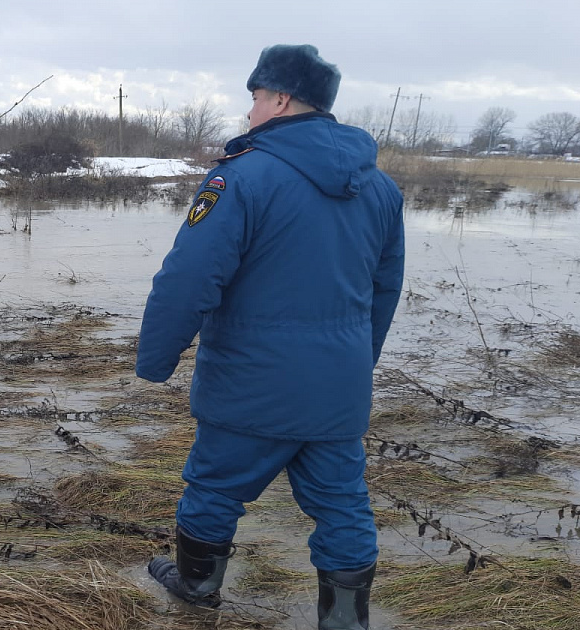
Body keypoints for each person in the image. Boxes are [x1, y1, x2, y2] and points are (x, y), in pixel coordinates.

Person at [136, 44, 405, 630]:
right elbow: (384, 291)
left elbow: (187, 278)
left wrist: (156, 358)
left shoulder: (242, 178)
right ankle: (344, 619)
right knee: (341, 503)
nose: (251, 110)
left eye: (255, 97)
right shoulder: (380, 189)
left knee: (213, 484)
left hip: (251, 382)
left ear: (280, 98)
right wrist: (355, 363)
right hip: (337, 387)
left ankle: (196, 584)